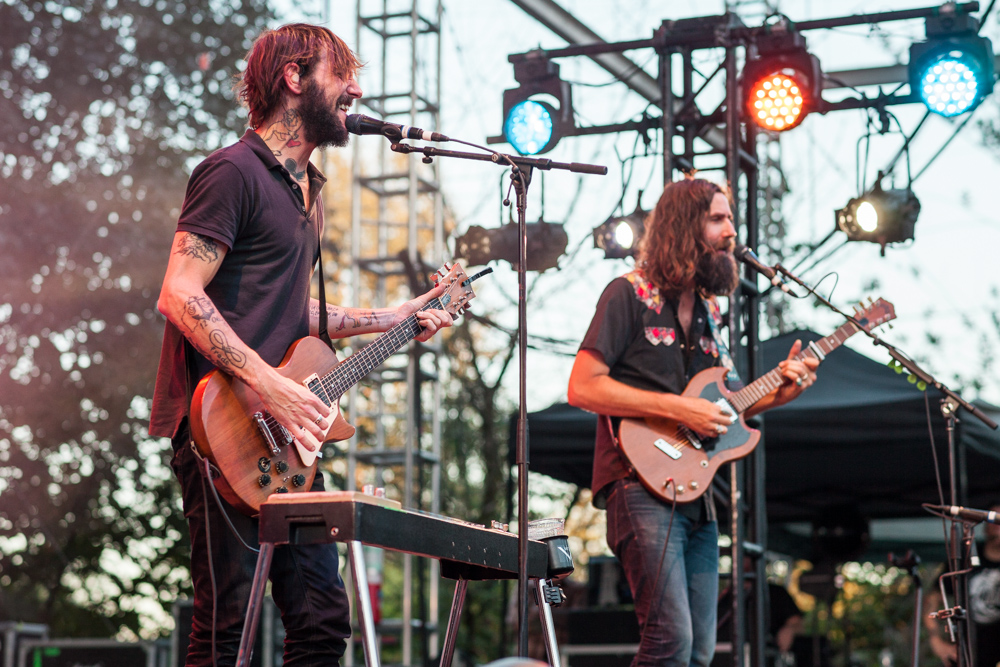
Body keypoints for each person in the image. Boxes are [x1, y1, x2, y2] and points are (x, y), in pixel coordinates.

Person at [148, 24, 453, 666]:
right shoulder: (230, 171)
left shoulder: (308, 192)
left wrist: (393, 317)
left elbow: (300, 313)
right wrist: (269, 384)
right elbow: (179, 292)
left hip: (287, 442)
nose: (356, 90)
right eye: (341, 74)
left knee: (320, 620)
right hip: (220, 425)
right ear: (294, 77)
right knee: (227, 625)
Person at [567, 177, 819, 667]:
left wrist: (781, 393)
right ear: (686, 227)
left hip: (695, 492)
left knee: (700, 651)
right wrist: (678, 409)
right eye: (718, 219)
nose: (731, 231)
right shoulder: (628, 294)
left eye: (730, 218)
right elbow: (583, 387)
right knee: (671, 642)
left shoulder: (710, 313)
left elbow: (723, 411)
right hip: (637, 481)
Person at [925, 502, 1000, 667]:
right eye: (992, 517)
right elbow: (933, 598)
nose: (996, 523)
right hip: (966, 656)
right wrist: (935, 639)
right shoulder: (965, 557)